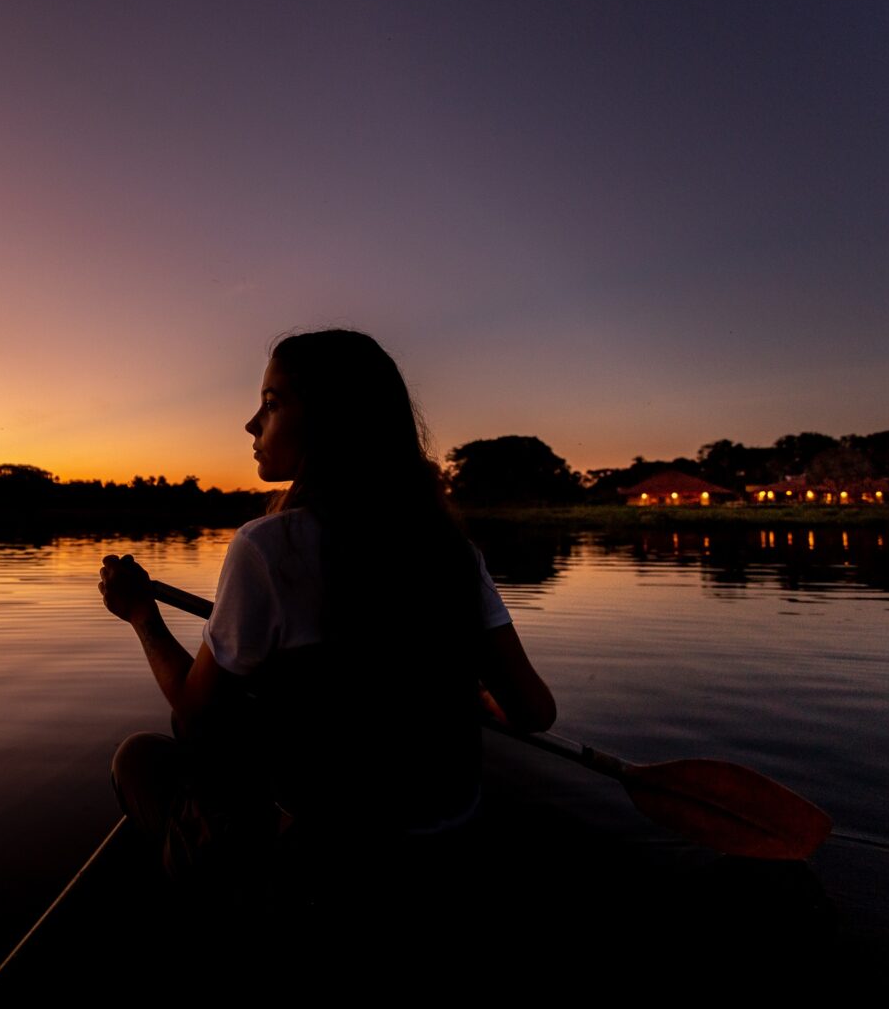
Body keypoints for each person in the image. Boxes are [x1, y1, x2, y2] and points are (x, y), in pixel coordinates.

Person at [98, 329, 555, 909]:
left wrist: (142, 614)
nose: (251, 425)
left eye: (272, 403)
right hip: (446, 841)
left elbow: (193, 714)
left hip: (320, 866)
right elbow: (535, 712)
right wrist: (478, 696)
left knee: (138, 756)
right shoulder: (449, 549)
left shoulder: (266, 547)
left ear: (329, 419)